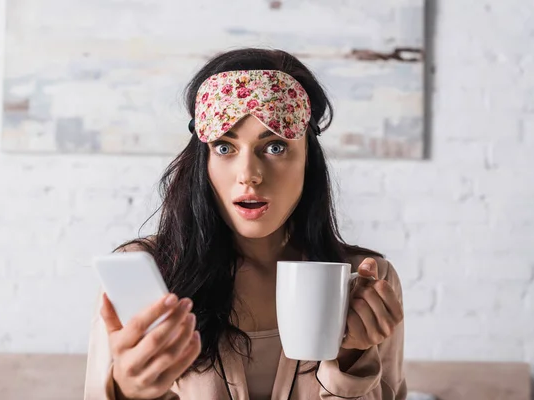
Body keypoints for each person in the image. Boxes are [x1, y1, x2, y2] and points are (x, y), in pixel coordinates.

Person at [84, 47, 407, 400]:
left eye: (275, 148)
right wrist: (128, 391)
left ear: (308, 162)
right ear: (203, 163)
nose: (249, 175)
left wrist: (351, 357)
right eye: (224, 147)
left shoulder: (365, 284)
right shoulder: (146, 273)